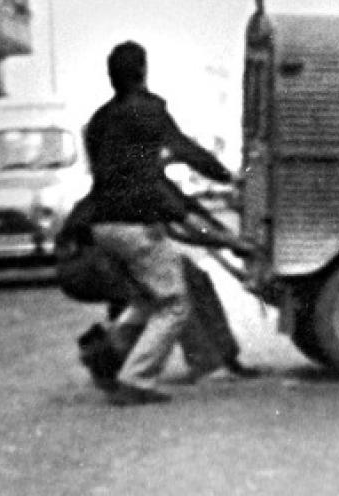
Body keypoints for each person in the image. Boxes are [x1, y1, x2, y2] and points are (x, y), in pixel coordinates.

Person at [80, 40, 238, 404]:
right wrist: (226, 177)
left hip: (101, 224)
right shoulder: (149, 111)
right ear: (142, 72)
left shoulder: (99, 120)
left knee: (149, 298)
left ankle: (106, 353)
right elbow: (185, 150)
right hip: (136, 224)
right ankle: (135, 380)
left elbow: (108, 173)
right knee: (175, 303)